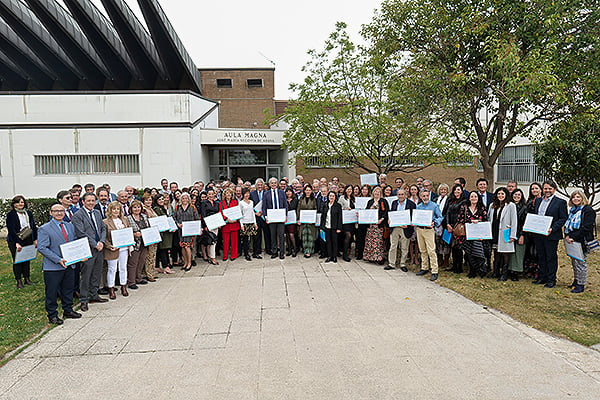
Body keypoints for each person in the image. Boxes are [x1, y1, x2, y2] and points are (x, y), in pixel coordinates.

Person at [37, 204, 82, 324]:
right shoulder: (44, 228)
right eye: (56, 211)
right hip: (53, 267)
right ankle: (52, 315)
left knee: (68, 289)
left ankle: (68, 310)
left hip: (70, 264)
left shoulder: (70, 226)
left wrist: (80, 256)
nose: (59, 213)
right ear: (50, 213)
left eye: (61, 211)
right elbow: (42, 247)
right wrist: (58, 259)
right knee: (52, 292)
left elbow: (75, 243)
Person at [72, 192, 108, 311]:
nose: (91, 203)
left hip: (99, 248)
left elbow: (103, 228)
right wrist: (95, 244)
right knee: (86, 275)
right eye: (88, 201)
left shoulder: (97, 213)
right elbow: (81, 233)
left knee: (96, 273)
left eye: (93, 200)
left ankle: (94, 295)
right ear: (83, 202)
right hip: (87, 249)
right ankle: (83, 299)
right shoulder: (78, 215)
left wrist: (102, 242)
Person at [531, 179, 568, 288]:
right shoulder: (538, 201)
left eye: (550, 189)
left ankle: (551, 279)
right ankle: (542, 277)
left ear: (554, 189)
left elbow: (563, 218)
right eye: (545, 188)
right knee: (541, 256)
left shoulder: (560, 202)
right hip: (539, 233)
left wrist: (553, 228)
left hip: (551, 234)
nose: (547, 191)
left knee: (550, 257)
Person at [564, 190, 596, 293]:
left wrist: (573, 236)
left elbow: (586, 228)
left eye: (578, 197)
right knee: (574, 262)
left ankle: (581, 284)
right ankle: (576, 281)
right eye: (573, 197)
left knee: (581, 263)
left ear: (582, 198)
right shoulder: (573, 210)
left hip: (582, 240)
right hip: (572, 239)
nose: (575, 199)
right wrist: (568, 236)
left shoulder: (588, 210)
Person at [6, 196, 38, 289]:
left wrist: (35, 239)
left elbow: (33, 226)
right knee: (18, 260)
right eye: (18, 202)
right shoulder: (11, 214)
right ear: (14, 204)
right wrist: (17, 242)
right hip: (15, 240)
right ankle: (19, 281)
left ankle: (27, 279)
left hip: (27, 238)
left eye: (22, 202)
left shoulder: (28, 213)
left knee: (26, 259)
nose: (20, 204)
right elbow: (11, 229)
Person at [488, 187, 518, 281]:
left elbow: (514, 221)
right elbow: (489, 218)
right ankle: (496, 272)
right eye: (498, 194)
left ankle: (504, 274)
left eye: (502, 194)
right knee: (496, 252)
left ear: (506, 195)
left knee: (505, 254)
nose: (500, 196)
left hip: (505, 232)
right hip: (495, 231)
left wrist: (513, 235)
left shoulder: (511, 205)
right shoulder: (492, 205)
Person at [456, 192, 489, 278]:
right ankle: (472, 271)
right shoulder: (464, 207)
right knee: (469, 252)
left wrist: (479, 221)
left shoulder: (482, 208)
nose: (473, 198)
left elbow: (486, 220)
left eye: (475, 196)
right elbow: (460, 219)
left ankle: (481, 270)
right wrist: (470, 221)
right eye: (472, 196)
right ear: (469, 198)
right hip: (467, 233)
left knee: (478, 252)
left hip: (479, 234)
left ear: (478, 198)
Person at [414, 189, 444, 280]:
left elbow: (440, 217)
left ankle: (434, 270)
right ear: (420, 196)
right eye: (423, 196)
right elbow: (416, 217)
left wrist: (434, 222)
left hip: (429, 230)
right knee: (422, 250)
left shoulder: (434, 206)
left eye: (427, 195)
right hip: (420, 229)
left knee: (431, 250)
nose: (425, 197)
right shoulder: (418, 207)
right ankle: (425, 267)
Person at [102, 202, 130, 299]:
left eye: (118, 209)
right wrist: (109, 246)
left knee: (123, 268)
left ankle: (123, 286)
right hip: (112, 249)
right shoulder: (105, 222)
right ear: (110, 210)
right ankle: (111, 288)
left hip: (124, 248)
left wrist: (130, 241)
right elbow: (103, 237)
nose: (116, 211)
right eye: (114, 209)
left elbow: (128, 232)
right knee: (112, 269)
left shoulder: (124, 219)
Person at [388, 188, 416, 271]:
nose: (400, 196)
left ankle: (402, 264)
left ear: (406, 195)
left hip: (405, 228)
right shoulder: (394, 203)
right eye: (399, 194)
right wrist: (390, 220)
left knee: (404, 247)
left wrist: (408, 224)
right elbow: (392, 213)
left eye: (402, 194)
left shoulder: (411, 204)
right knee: (393, 246)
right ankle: (391, 263)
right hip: (395, 227)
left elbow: (413, 216)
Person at [126, 200, 150, 288]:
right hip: (135, 243)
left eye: (138, 207)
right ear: (131, 209)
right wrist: (134, 234)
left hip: (144, 242)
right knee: (133, 262)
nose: (137, 209)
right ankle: (131, 281)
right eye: (135, 207)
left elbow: (148, 227)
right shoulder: (128, 218)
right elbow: (126, 231)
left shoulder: (144, 216)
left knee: (141, 261)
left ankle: (138, 278)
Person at [443, 184, 467, 273]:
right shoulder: (451, 201)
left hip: (458, 227)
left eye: (458, 190)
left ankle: (459, 267)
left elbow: (462, 215)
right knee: (453, 247)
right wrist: (448, 224)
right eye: (455, 190)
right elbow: (447, 213)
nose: (456, 191)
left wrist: (455, 226)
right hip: (450, 226)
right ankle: (454, 265)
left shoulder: (464, 202)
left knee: (458, 247)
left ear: (461, 191)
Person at [262, 177, 288, 259]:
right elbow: (264, 207)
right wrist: (266, 217)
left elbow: (285, 205)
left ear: (277, 184)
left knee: (281, 235)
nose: (273, 184)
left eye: (275, 183)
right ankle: (274, 252)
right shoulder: (266, 194)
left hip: (280, 217)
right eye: (272, 183)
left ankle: (282, 253)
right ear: (269, 184)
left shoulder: (282, 193)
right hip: (271, 218)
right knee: (273, 235)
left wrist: (285, 216)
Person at [174, 192, 200, 270]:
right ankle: (185, 262)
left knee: (187, 246)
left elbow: (197, 218)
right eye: (183, 198)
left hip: (190, 230)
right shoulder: (177, 207)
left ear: (188, 199)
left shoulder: (192, 207)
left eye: (186, 198)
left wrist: (197, 229)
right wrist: (177, 224)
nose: (184, 200)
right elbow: (174, 217)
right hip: (181, 229)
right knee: (182, 246)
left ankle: (189, 263)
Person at [363, 186, 389, 265]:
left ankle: (379, 258)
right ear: (373, 193)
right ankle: (370, 257)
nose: (377, 193)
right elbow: (367, 211)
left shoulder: (383, 201)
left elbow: (386, 211)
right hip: (371, 225)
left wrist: (381, 220)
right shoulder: (370, 201)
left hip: (379, 224)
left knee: (379, 242)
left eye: (378, 192)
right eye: (375, 192)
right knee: (370, 241)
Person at [523, 182, 542, 278]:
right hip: (529, 230)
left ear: (540, 189)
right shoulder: (529, 201)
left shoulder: (543, 201)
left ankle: (538, 272)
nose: (534, 190)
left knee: (537, 251)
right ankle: (529, 271)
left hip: (539, 230)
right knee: (529, 251)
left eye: (536, 188)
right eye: (532, 189)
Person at [508, 189, 528, 280]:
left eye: (519, 195)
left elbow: (525, 222)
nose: (516, 196)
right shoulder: (508, 206)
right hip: (508, 232)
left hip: (520, 233)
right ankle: (508, 270)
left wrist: (522, 235)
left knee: (518, 253)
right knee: (509, 253)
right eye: (515, 194)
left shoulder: (524, 207)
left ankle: (515, 272)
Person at [153, 195, 175, 274]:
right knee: (163, 249)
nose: (162, 200)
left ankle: (158, 266)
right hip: (162, 232)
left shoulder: (163, 208)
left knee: (163, 249)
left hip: (166, 231)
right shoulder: (157, 209)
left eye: (162, 199)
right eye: (159, 199)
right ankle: (165, 267)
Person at [319, 191, 343, 263]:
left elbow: (340, 218)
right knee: (328, 242)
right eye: (330, 196)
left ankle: (334, 256)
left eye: (333, 196)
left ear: (335, 197)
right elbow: (323, 217)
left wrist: (339, 228)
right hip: (327, 226)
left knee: (335, 242)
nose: (331, 197)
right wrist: (321, 227)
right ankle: (329, 256)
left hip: (334, 227)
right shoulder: (325, 205)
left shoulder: (338, 205)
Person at [250, 178, 270, 257]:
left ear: (263, 185)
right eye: (258, 185)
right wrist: (255, 213)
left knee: (267, 234)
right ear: (256, 186)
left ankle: (268, 249)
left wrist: (264, 213)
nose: (260, 186)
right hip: (256, 217)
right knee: (257, 235)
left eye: (261, 185)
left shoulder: (267, 193)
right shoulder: (252, 194)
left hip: (265, 216)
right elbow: (250, 206)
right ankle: (257, 250)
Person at [219, 188, 240, 261]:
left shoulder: (235, 202)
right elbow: (220, 212)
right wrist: (226, 219)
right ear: (224, 195)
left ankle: (233, 255)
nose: (228, 195)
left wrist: (235, 219)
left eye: (230, 193)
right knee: (225, 241)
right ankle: (225, 256)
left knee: (234, 241)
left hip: (234, 223)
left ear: (232, 195)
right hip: (226, 224)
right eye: (227, 193)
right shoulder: (221, 203)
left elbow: (237, 211)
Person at [141, 194, 159, 280]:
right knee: (149, 255)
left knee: (153, 254)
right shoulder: (144, 210)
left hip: (155, 233)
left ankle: (152, 271)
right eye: (147, 200)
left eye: (150, 200)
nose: (149, 202)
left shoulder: (151, 209)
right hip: (149, 234)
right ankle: (148, 273)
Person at [297, 185, 318, 258]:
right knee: (304, 236)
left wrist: (313, 220)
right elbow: (298, 209)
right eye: (307, 190)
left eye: (309, 190)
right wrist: (298, 219)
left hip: (310, 222)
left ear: (311, 191)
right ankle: (305, 250)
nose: (308, 191)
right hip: (303, 222)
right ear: (304, 191)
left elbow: (316, 209)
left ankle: (309, 251)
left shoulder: (314, 199)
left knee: (310, 237)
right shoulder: (301, 199)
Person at [201, 188, 220, 265]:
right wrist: (205, 225)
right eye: (209, 194)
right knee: (211, 241)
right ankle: (212, 258)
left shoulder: (216, 203)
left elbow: (217, 213)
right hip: (209, 224)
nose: (211, 195)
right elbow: (203, 215)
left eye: (212, 194)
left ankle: (211, 256)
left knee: (214, 241)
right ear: (207, 195)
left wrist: (219, 223)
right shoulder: (204, 203)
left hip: (215, 223)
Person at [239, 188, 258, 261]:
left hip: (252, 222)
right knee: (246, 240)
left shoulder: (252, 202)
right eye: (245, 193)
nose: (247, 195)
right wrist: (241, 225)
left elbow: (253, 213)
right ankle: (246, 254)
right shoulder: (241, 203)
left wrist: (255, 223)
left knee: (255, 238)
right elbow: (240, 214)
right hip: (245, 222)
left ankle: (255, 253)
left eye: (248, 193)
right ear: (243, 194)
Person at [338, 184, 355, 262]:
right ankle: (344, 255)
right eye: (348, 189)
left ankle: (346, 252)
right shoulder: (342, 198)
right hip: (345, 221)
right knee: (347, 235)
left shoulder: (354, 198)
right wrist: (345, 209)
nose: (349, 191)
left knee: (350, 237)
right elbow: (338, 208)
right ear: (345, 190)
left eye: (351, 189)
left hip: (352, 221)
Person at [355, 184, 371, 260]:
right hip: (360, 221)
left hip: (368, 221)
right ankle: (360, 253)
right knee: (360, 238)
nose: (364, 191)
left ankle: (366, 254)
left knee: (367, 238)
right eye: (363, 189)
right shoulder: (358, 199)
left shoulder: (371, 199)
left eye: (366, 189)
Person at [284, 187, 299, 257]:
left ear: (292, 192)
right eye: (287, 191)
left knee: (291, 234)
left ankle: (295, 249)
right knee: (287, 235)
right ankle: (289, 249)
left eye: (290, 191)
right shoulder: (284, 200)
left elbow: (297, 210)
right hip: (286, 219)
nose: (288, 193)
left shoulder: (295, 200)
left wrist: (297, 218)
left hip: (293, 220)